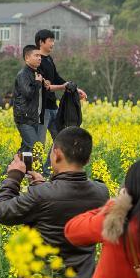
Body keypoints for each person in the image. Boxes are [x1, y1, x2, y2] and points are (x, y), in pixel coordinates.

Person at [0, 126, 110, 278]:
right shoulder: (101, 192)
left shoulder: (42, 195)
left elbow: (2, 211)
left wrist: (14, 176)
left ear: (56, 153)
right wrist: (44, 186)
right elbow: (66, 200)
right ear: (88, 158)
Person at [36, 29, 87, 173]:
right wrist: (63, 87)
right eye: (50, 40)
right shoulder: (37, 61)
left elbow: (57, 78)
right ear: (41, 42)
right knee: (39, 143)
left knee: (59, 140)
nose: (53, 43)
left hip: (53, 106)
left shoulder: (49, 59)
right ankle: (35, 172)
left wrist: (75, 90)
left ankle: (46, 170)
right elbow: (44, 87)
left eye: (53, 40)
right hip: (41, 109)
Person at [13, 45, 46, 158]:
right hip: (24, 118)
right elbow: (28, 94)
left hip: (33, 118)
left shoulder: (35, 73)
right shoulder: (23, 74)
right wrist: (37, 83)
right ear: (27, 58)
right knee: (36, 147)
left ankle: (9, 173)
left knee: (26, 150)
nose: (39, 58)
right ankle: (37, 173)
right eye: (36, 55)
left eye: (40, 56)